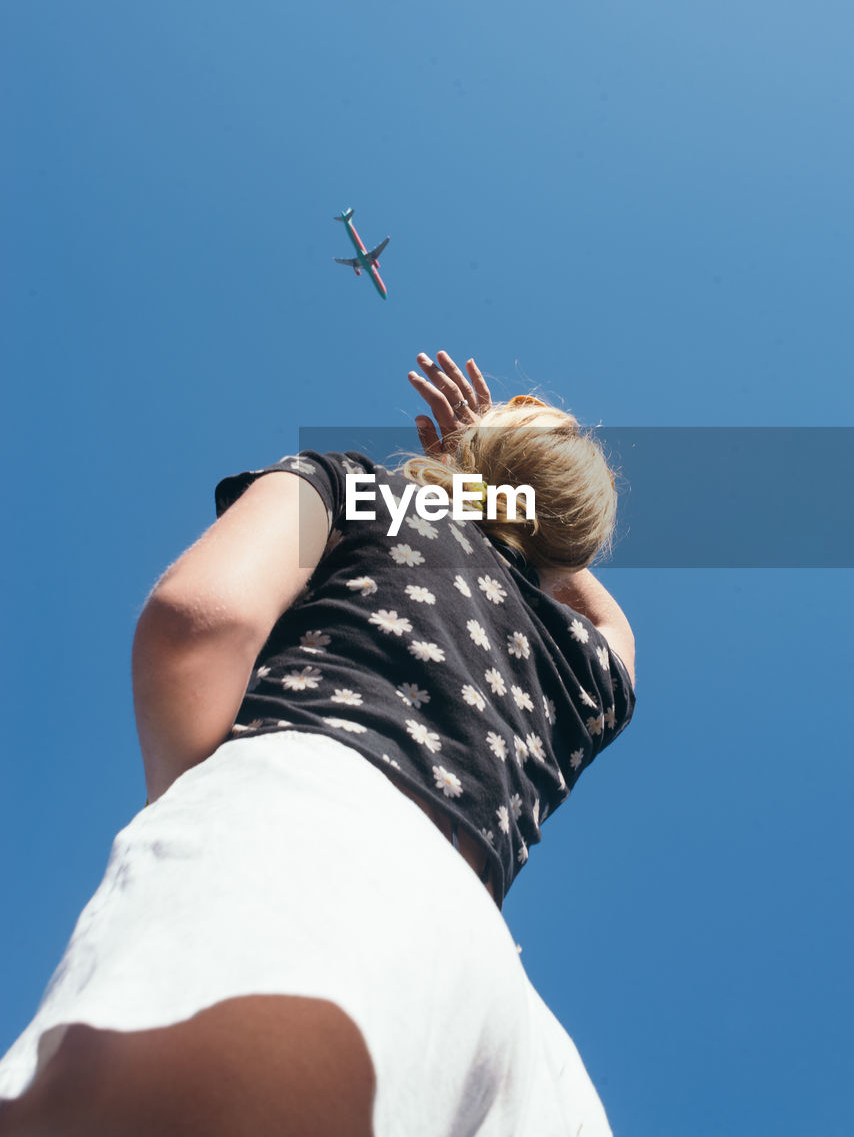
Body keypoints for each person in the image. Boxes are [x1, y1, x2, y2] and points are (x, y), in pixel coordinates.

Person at [0, 350, 636, 1137]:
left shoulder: (365, 487)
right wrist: (516, 483)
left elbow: (201, 620)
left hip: (311, 834)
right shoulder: (591, 659)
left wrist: (198, 795)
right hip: (501, 1009)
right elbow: (607, 616)